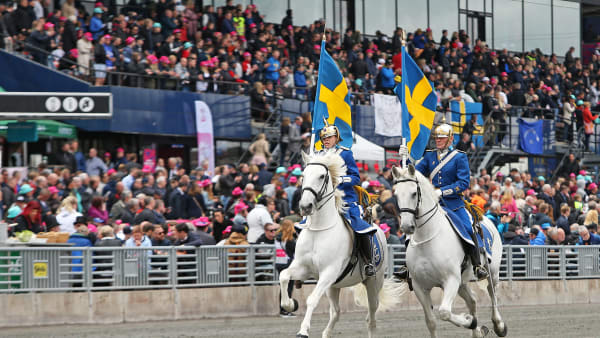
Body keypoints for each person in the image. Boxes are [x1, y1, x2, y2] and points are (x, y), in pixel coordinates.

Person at [398, 122, 488, 280]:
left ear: (450, 139)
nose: (438, 140)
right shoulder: (430, 156)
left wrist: (442, 191)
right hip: (433, 204)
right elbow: (414, 174)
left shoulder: (460, 157)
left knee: (467, 227)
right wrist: (405, 160)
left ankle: (477, 265)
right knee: (411, 229)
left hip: (453, 203)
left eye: (441, 138)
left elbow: (463, 183)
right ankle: (407, 265)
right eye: (436, 138)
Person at [314, 121, 377, 277]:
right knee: (305, 223)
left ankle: (368, 261)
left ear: (337, 138)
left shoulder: (345, 153)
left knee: (358, 225)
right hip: (323, 202)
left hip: (344, 200)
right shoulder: (318, 155)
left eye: (329, 137)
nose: (326, 140)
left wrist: (341, 179)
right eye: (324, 138)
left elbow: (356, 178)